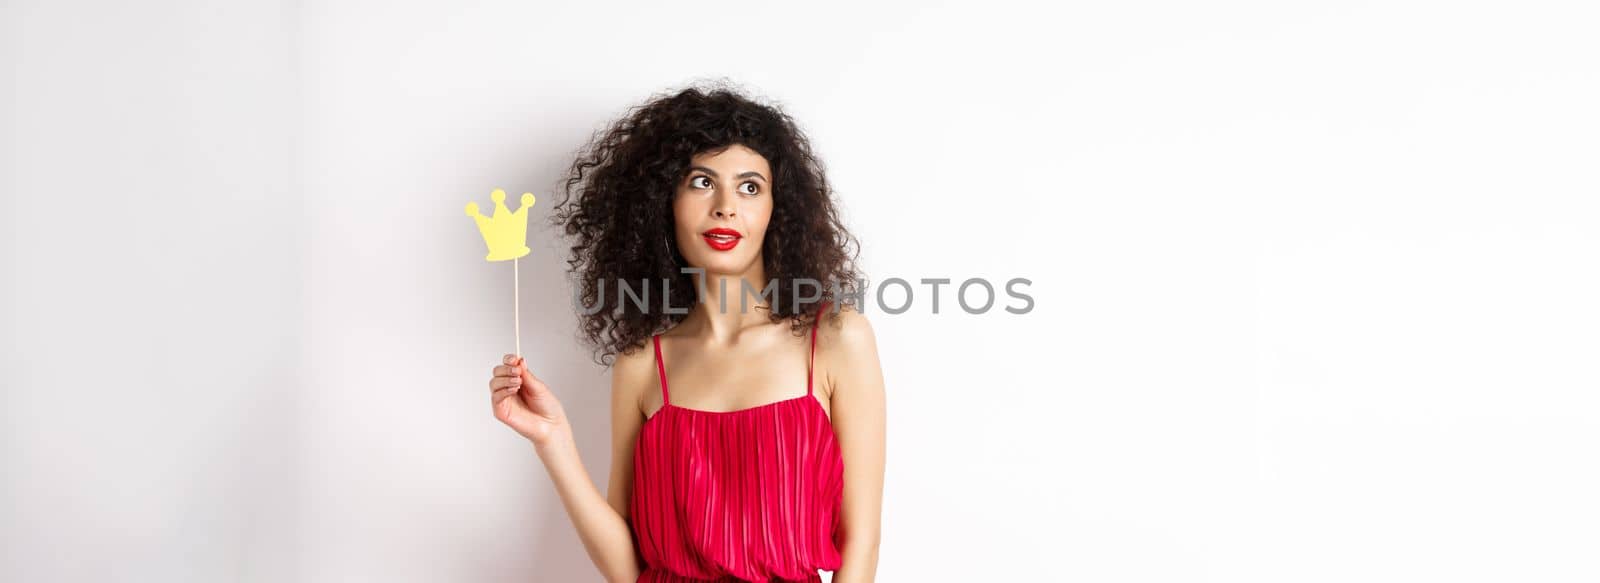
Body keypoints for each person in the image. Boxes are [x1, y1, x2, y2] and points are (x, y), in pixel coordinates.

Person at [485, 82, 886, 582]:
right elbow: (627, 566)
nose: (725, 206)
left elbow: (862, 547)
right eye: (701, 182)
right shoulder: (641, 361)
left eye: (749, 187)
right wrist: (553, 440)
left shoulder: (836, 338)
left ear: (776, 210)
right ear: (662, 204)